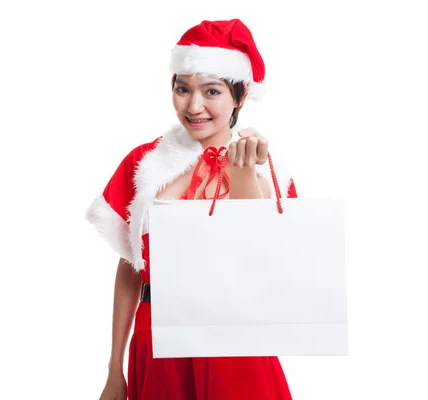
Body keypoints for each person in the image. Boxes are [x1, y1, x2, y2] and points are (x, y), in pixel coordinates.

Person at [86, 18, 297, 400]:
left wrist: (244, 173)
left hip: (237, 348)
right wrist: (114, 370)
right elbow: (131, 268)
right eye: (183, 89)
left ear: (241, 94)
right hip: (159, 346)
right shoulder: (145, 164)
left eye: (211, 91)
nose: (194, 106)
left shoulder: (269, 171)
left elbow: (265, 260)